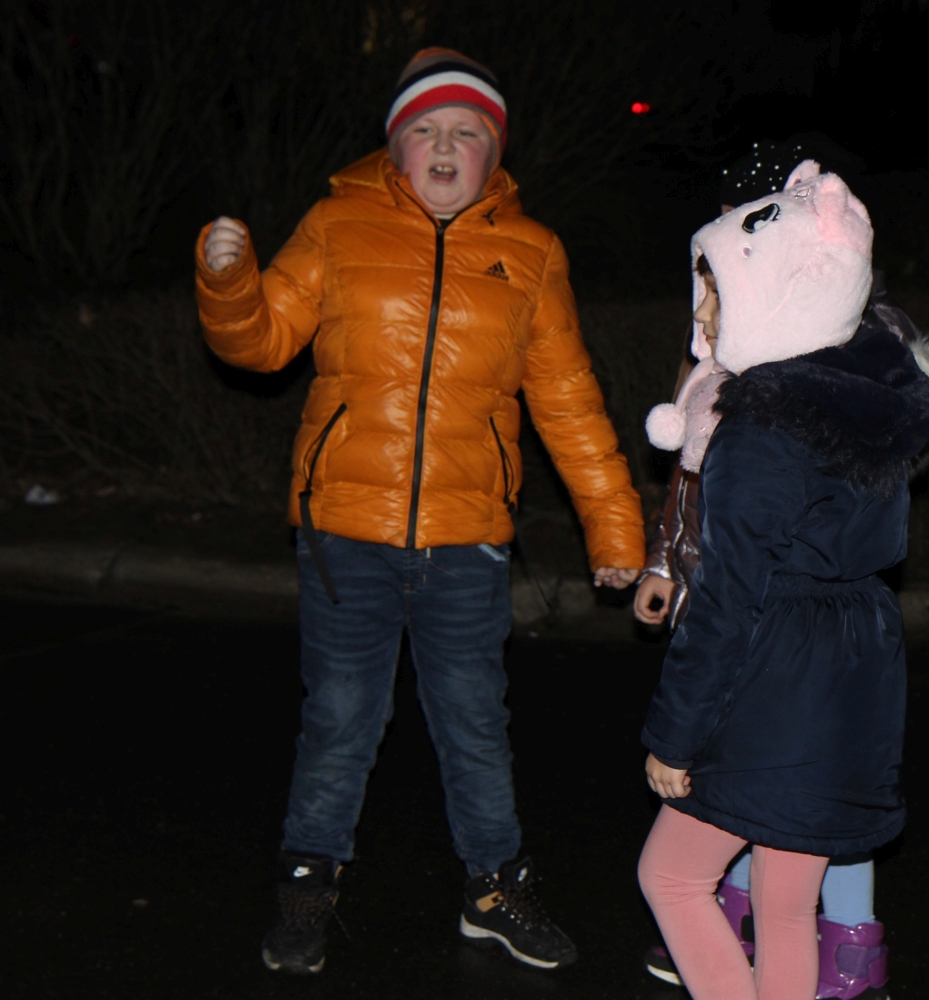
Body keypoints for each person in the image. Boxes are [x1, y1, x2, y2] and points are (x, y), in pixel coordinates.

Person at [194, 48, 644, 976]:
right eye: (425, 130)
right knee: (341, 720)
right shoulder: (336, 224)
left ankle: (495, 891)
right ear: (395, 149)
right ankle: (306, 890)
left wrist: (615, 528)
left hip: (467, 540)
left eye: (466, 133)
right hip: (344, 532)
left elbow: (568, 400)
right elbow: (262, 342)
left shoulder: (532, 253)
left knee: (475, 723)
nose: (444, 146)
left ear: (493, 154)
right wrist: (228, 285)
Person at [636, 142, 929, 999]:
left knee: (672, 876)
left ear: (769, 291)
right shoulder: (868, 407)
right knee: (784, 905)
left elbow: (728, 599)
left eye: (716, 288)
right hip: (858, 671)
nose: (701, 310)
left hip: (773, 681)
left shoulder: (759, 427)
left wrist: (674, 735)